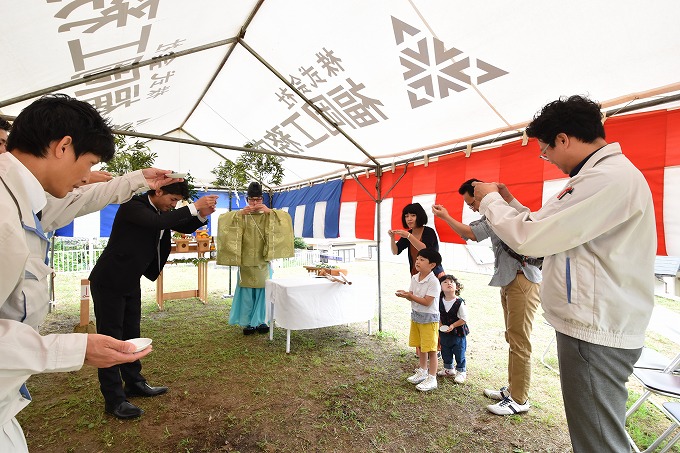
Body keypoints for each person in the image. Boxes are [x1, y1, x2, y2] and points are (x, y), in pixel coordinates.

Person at [472, 95, 655, 452]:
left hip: (594, 328)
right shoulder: (599, 176)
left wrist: (490, 200)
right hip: (592, 322)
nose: (549, 160)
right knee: (599, 433)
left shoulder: (607, 179)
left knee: (597, 441)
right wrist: (509, 202)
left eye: (546, 150)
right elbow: (545, 225)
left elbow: (531, 237)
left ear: (563, 139)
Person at [0, 94, 167, 451]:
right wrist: (71, 350)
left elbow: (79, 199)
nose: (85, 178)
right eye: (88, 163)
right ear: (63, 146)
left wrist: (135, 179)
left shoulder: (24, 199)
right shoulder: (4, 214)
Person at [88, 181, 217, 420]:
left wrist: (200, 215)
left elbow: (181, 223)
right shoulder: (132, 206)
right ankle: (114, 400)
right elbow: (158, 224)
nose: (174, 205)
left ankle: (134, 383)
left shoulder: (161, 212)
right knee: (110, 339)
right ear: (158, 191)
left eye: (178, 202)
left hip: (129, 279)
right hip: (109, 281)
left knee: (131, 334)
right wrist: (192, 206)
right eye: (172, 199)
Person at [432, 179, 542, 416]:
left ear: (481, 194)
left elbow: (470, 233)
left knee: (519, 340)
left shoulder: (499, 213)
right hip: (511, 279)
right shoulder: (497, 212)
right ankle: (513, 390)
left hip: (522, 279)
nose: (472, 207)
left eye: (472, 202)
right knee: (513, 338)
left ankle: (519, 399)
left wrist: (446, 217)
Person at [217, 182, 294, 335]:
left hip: (262, 259)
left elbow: (285, 219)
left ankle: (261, 321)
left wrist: (270, 212)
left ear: (262, 199)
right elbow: (222, 219)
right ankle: (247, 323)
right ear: (247, 199)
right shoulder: (241, 215)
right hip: (245, 259)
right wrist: (238, 214)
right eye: (252, 199)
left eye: (258, 199)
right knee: (246, 291)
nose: (255, 203)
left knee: (263, 290)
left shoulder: (269, 215)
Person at [396, 248, 442, 392]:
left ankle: (432, 378)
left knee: (431, 349)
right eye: (417, 259)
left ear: (432, 265)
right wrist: (405, 294)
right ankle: (422, 371)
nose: (418, 262)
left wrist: (409, 297)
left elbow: (427, 302)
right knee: (421, 346)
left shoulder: (434, 281)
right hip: (416, 316)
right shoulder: (415, 277)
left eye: (422, 260)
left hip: (429, 319)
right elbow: (412, 294)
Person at [388, 202, 445, 278]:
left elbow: (425, 250)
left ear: (420, 216)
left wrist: (409, 236)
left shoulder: (428, 231)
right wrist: (392, 237)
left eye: (413, 215)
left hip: (434, 273)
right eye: (406, 216)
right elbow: (395, 251)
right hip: (416, 274)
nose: (409, 219)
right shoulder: (409, 233)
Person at [436, 274, 469, 384]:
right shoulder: (439, 300)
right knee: (445, 350)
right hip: (444, 332)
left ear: (457, 287)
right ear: (440, 287)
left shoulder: (459, 302)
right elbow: (437, 314)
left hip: (458, 333)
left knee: (459, 351)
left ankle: (461, 371)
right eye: (445, 282)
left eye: (451, 282)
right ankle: (449, 369)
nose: (449, 283)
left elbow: (464, 319)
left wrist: (453, 325)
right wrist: (440, 324)